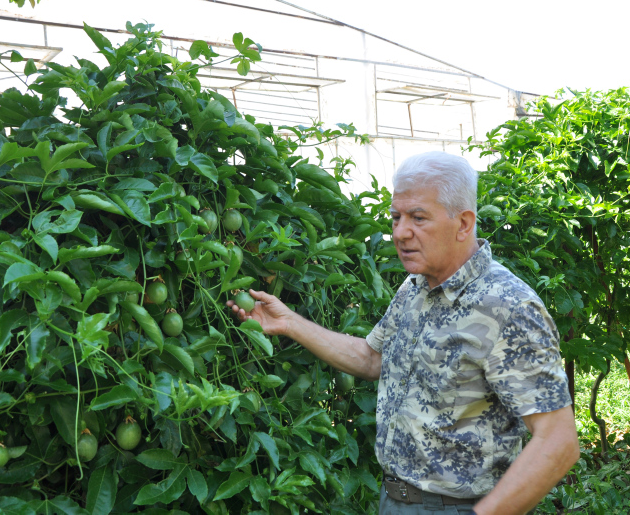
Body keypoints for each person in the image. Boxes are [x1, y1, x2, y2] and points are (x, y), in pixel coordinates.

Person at [228, 151, 579, 515]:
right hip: (395, 500)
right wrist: (289, 322)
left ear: (463, 224)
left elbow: (558, 441)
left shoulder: (508, 306)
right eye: (396, 217)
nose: (400, 232)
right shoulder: (415, 288)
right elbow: (372, 358)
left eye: (418, 218)